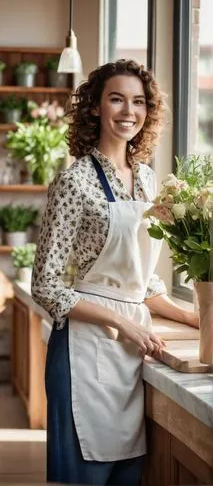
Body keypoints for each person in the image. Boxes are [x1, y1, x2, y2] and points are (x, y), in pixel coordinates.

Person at [31, 59, 198, 486]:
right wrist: (121, 323)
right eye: (117, 99)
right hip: (84, 350)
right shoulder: (74, 182)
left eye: (139, 101)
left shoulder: (146, 179)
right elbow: (47, 286)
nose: (129, 111)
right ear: (95, 108)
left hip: (129, 351)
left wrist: (196, 318)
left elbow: (143, 281)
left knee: (127, 476)